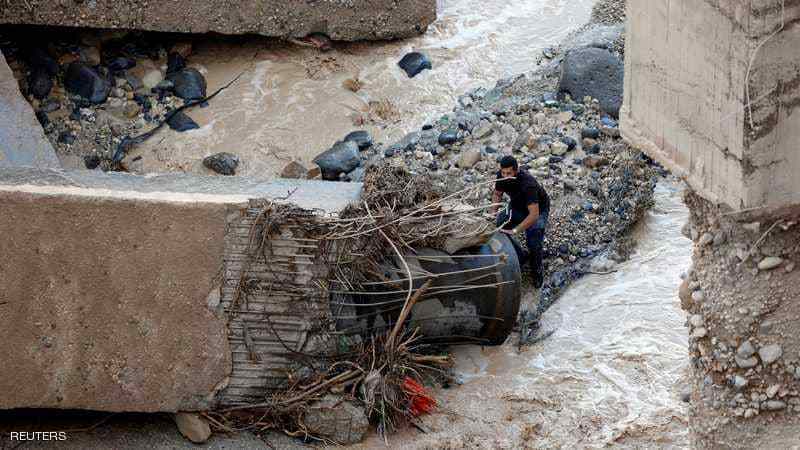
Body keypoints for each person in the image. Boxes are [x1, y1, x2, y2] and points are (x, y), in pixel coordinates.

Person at [491, 155, 550, 288]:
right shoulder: (501, 175)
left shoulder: (528, 184)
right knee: (499, 225)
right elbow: (497, 194)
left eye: (509, 173)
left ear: (516, 171)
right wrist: (493, 213)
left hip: (537, 210)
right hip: (517, 205)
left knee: (534, 240)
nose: (505, 176)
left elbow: (534, 215)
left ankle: (537, 270)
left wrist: (515, 230)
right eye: (503, 172)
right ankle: (521, 256)